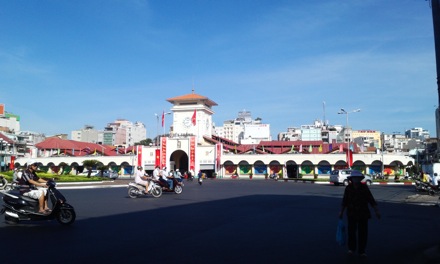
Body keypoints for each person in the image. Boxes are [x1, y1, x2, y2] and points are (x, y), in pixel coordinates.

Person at [339, 171, 380, 258]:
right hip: (351, 213)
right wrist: (341, 212)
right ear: (352, 179)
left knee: (363, 233)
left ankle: (362, 251)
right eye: (354, 178)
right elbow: (344, 201)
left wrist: (376, 211)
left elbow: (371, 199)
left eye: (357, 178)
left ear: (360, 179)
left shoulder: (364, 188)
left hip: (363, 213)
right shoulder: (348, 188)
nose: (356, 180)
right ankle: (351, 249)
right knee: (351, 232)